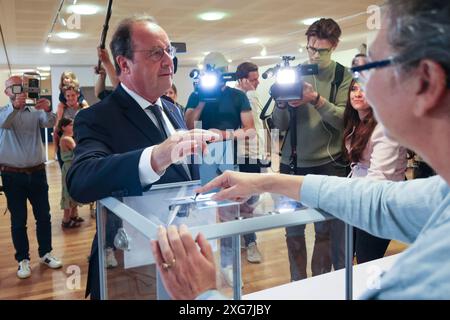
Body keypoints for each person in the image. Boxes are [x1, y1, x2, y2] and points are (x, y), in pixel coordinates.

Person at [151, 0, 450, 300]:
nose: (364, 89)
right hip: (297, 163)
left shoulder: (424, 281)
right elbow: (378, 201)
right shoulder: (441, 194)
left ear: (426, 82)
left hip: (328, 161)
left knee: (326, 236)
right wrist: (267, 180)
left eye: (371, 68)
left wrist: (202, 295)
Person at [66, 15, 218, 299]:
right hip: (129, 267)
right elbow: (80, 180)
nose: (168, 61)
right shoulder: (97, 116)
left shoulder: (173, 109)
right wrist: (155, 157)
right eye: (156, 53)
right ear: (124, 64)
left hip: (183, 256)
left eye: (169, 52)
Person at [272, 18, 353, 280]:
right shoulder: (293, 72)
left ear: (335, 46)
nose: (315, 55)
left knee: (325, 232)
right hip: (292, 165)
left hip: (328, 165)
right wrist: (282, 105)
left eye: (322, 50)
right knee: (293, 233)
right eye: (310, 48)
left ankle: (320, 286)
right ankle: (298, 286)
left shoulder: (343, 76)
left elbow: (343, 120)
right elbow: (278, 125)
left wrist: (315, 99)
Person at [184, 52, 255, 285]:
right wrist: (204, 97)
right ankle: (197, 266)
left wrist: (223, 135)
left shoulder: (237, 96)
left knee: (228, 212)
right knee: (198, 214)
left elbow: (250, 130)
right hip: (200, 158)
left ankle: (227, 264)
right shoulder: (196, 95)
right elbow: (187, 125)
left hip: (228, 156)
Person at [0, 75, 62, 279]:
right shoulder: (2, 113)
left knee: (43, 216)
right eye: (14, 87)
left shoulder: (35, 112)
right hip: (12, 176)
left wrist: (48, 108)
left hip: (37, 172)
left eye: (22, 86)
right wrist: (15, 108)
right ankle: (22, 260)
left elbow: (51, 122)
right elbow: (5, 124)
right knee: (19, 220)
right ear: (7, 92)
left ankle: (45, 253)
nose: (19, 90)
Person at [343, 80, 407, 263]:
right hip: (359, 197)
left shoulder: (386, 128)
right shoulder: (357, 123)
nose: (357, 94)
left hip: (379, 203)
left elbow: (379, 177)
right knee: (350, 255)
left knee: (368, 260)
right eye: (354, 89)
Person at [234, 61, 270, 264]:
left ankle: (244, 233)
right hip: (242, 157)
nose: (256, 83)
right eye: (253, 80)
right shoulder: (235, 98)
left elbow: (259, 127)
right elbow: (247, 127)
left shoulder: (252, 96)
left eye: (258, 79)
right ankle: (250, 243)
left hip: (257, 156)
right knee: (245, 202)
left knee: (253, 199)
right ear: (241, 79)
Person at [53, 84, 88, 169]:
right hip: (65, 147)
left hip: (80, 142)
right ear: (65, 97)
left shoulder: (83, 108)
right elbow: (57, 130)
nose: (70, 98)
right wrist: (56, 150)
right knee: (66, 170)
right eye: (68, 96)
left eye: (73, 95)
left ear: (78, 95)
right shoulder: (62, 108)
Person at [57, 118, 82, 229]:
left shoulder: (70, 137)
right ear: (63, 127)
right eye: (70, 125)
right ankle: (66, 220)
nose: (73, 126)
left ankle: (73, 215)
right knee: (67, 193)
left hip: (73, 166)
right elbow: (78, 150)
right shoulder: (66, 139)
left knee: (73, 190)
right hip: (69, 168)